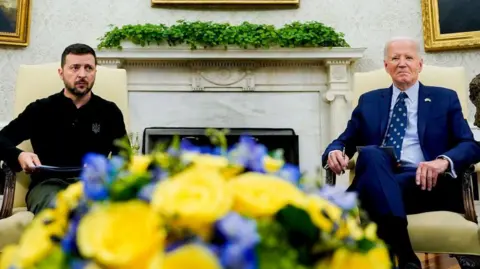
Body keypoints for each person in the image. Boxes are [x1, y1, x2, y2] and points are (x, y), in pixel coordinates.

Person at [322, 37, 480, 269]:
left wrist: (442, 162)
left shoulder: (444, 98)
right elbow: (343, 141)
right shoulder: (369, 101)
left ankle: (391, 253)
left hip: (428, 184)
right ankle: (406, 258)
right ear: (386, 66)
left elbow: (470, 145)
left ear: (420, 64)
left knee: (369, 178)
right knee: (373, 154)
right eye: (395, 58)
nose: (402, 63)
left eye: (409, 58)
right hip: (383, 175)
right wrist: (335, 151)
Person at [0, 43, 128, 215]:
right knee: (61, 209)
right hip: (48, 186)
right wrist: (19, 155)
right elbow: (2, 139)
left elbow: (125, 158)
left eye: (88, 68)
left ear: (95, 72)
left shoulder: (110, 111)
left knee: (99, 212)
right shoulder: (40, 109)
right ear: (61, 73)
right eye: (75, 68)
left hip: (93, 185)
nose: (82, 74)